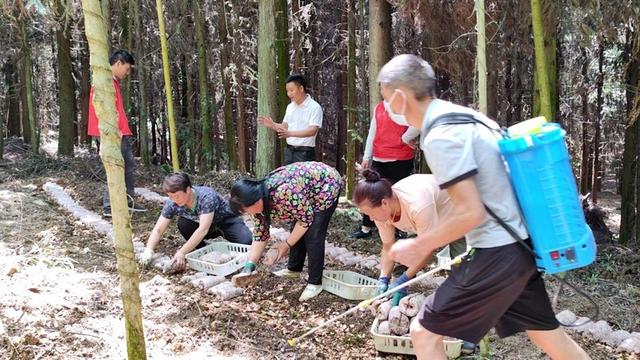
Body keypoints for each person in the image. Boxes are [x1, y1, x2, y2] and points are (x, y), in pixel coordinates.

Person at [376, 54, 590, 360]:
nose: (386, 108)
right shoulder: (466, 117)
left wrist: (418, 245)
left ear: (399, 96)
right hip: (519, 246)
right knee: (549, 337)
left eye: (386, 99)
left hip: (497, 252)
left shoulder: (440, 136)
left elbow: (470, 212)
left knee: (423, 334)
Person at [228, 162, 342, 302]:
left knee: (313, 234)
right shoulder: (257, 202)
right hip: (303, 190)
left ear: (256, 202)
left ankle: (315, 282)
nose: (246, 214)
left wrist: (286, 244)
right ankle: (294, 269)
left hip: (326, 184)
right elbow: (260, 234)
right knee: (298, 229)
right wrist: (249, 265)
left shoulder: (284, 192)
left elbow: (306, 219)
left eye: (245, 211)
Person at [353, 170, 467, 306]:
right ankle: (395, 300)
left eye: (370, 213)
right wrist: (384, 277)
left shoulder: (417, 205)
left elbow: (429, 247)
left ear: (384, 203)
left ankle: (465, 307)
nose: (371, 218)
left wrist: (404, 280)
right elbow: (388, 246)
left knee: (461, 272)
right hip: (426, 220)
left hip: (456, 213)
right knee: (403, 254)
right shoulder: (383, 211)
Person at [139, 173, 252, 270]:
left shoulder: (206, 196)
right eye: (170, 196)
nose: (174, 200)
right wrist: (148, 250)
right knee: (183, 224)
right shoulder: (172, 203)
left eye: (177, 196)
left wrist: (182, 252)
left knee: (246, 240)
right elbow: (158, 229)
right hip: (203, 226)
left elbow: (203, 229)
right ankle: (203, 250)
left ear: (188, 190)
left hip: (225, 221)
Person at [88, 49, 146, 217]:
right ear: (119, 63)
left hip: (118, 131)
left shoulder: (111, 82)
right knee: (115, 166)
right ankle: (110, 206)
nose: (127, 73)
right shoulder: (103, 82)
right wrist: (114, 130)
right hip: (113, 132)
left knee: (126, 166)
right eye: (127, 69)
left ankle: (126, 202)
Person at [350, 101, 419, 239]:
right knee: (371, 191)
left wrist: (406, 138)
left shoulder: (407, 105)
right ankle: (366, 227)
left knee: (397, 194)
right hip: (379, 156)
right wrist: (366, 156)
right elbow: (372, 133)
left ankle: (399, 228)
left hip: (401, 157)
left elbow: (418, 122)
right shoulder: (379, 107)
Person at [257, 74, 323, 164]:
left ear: (301, 89)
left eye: (292, 90)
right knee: (286, 178)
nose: (289, 94)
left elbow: (312, 131)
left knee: (301, 178)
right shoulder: (290, 107)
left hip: (305, 153)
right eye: (287, 91)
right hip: (289, 151)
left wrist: (289, 133)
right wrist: (273, 125)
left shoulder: (314, 107)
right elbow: (285, 127)